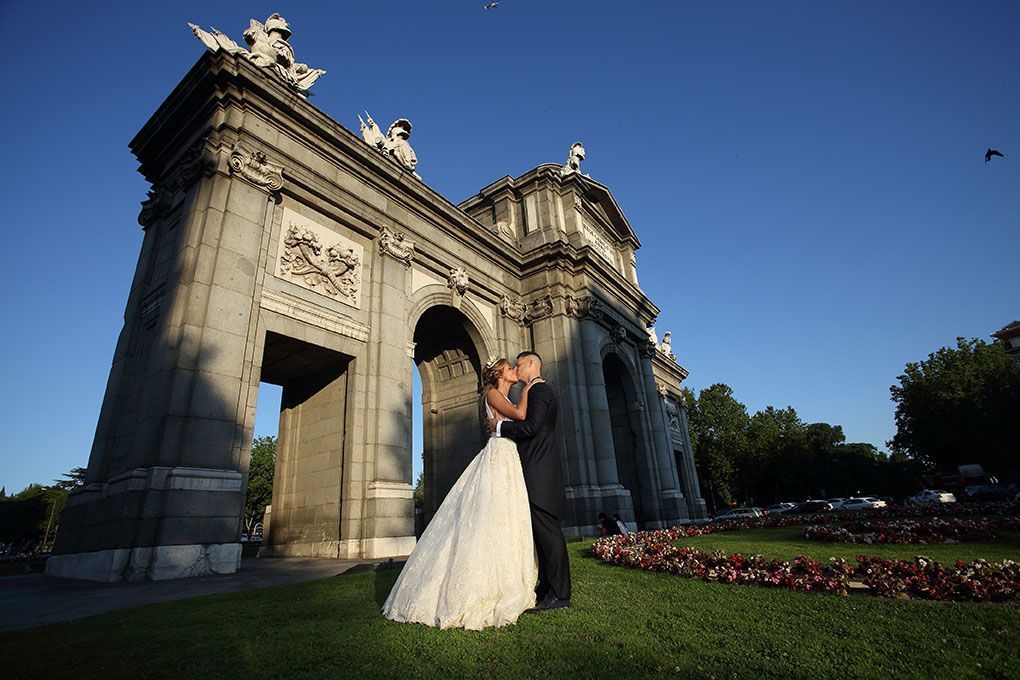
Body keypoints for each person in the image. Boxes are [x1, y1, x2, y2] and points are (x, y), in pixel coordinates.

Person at [381, 358, 540, 630]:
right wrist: (529, 389)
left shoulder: (501, 394)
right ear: (500, 373)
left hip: (507, 456)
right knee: (490, 516)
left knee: (504, 517)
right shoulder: (492, 393)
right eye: (510, 368)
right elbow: (522, 416)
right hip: (499, 456)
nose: (514, 370)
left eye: (516, 368)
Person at [487, 351, 572, 612]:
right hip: (537, 469)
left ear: (532, 364)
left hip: (539, 470)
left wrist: (498, 428)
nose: (516, 367)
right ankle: (547, 590)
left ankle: (559, 593)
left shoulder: (539, 391)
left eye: (519, 364)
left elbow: (532, 426)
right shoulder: (533, 392)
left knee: (549, 534)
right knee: (542, 535)